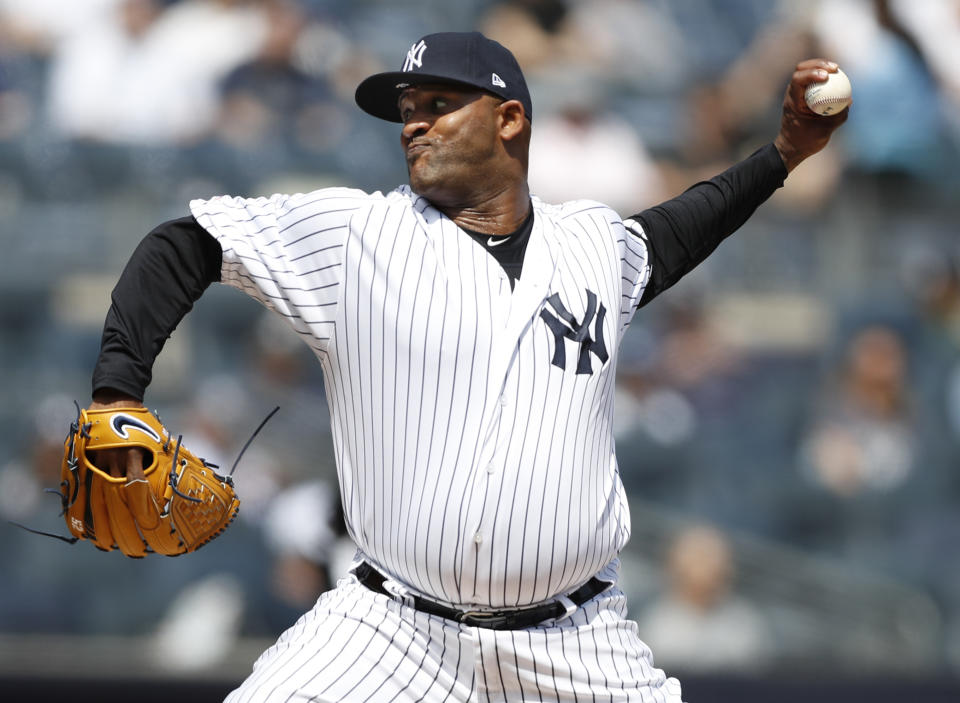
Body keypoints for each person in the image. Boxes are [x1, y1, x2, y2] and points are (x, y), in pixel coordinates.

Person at [85, 30, 846, 702]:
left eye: (439, 103)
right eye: (407, 108)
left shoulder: (592, 244)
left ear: (509, 118)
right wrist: (118, 391)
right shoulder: (358, 235)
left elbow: (687, 224)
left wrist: (783, 154)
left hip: (576, 643)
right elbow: (183, 244)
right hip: (390, 631)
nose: (413, 121)